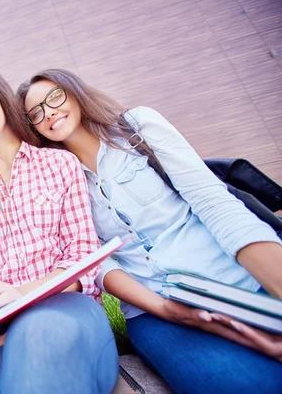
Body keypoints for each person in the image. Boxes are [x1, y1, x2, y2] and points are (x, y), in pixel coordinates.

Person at [17, 69, 282, 393]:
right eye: (36, 113)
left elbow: (213, 202)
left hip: (226, 277)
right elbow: (94, 260)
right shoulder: (56, 178)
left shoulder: (137, 127)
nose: (50, 112)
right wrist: (165, 309)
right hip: (154, 307)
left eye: (54, 96)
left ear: (74, 91)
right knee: (237, 383)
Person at [0, 60, 119, 394]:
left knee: (40, 354)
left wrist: (21, 295)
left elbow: (82, 257)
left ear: (0, 95)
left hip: (64, 305)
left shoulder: (58, 163)